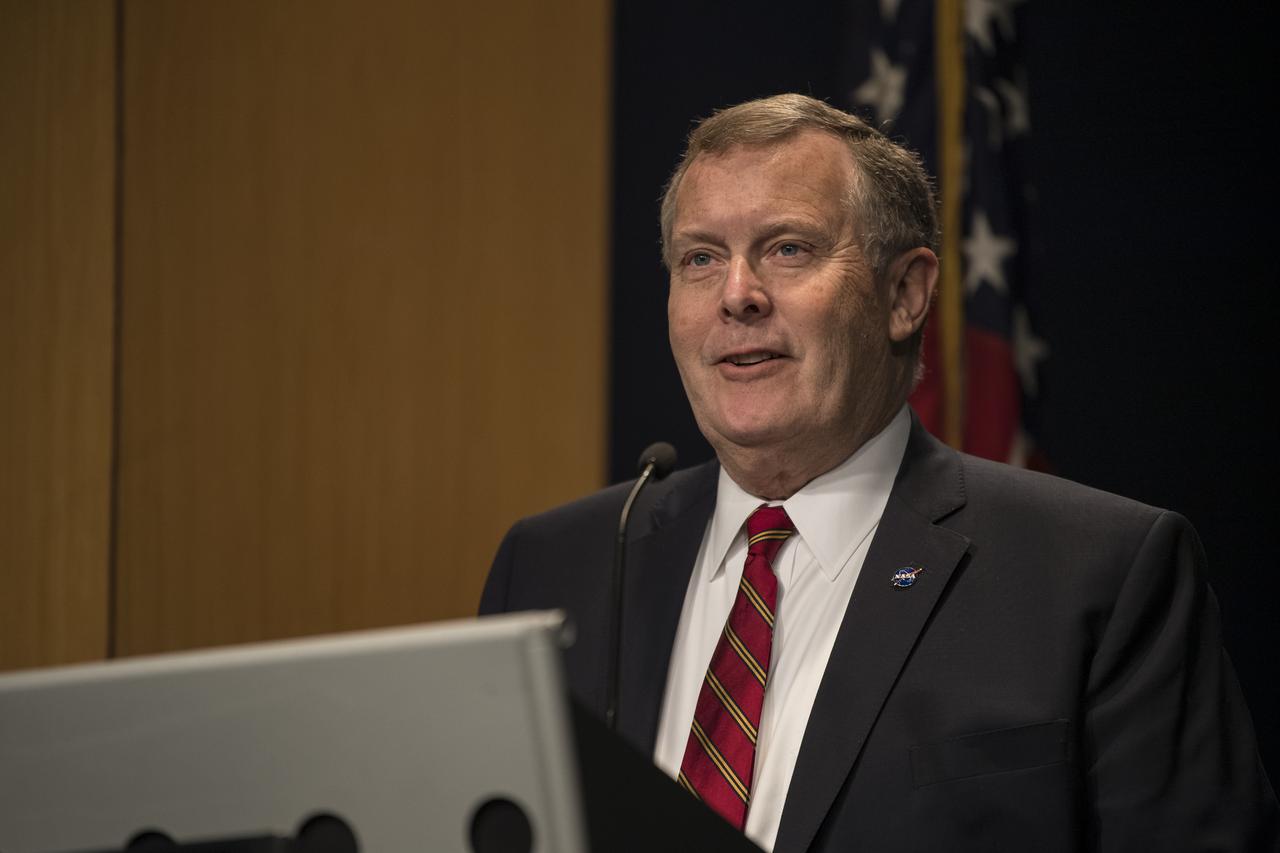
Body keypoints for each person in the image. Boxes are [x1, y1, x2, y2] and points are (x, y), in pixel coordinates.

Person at [479, 94, 1278, 852]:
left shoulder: (1098, 572)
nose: (737, 295)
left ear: (905, 293)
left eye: (787, 248)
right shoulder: (555, 566)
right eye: (700, 257)